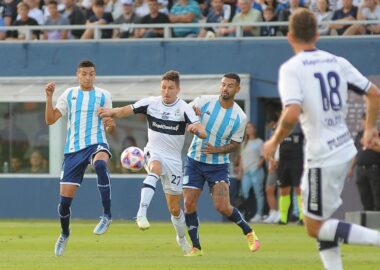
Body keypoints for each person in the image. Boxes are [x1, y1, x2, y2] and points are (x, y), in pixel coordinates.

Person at [263, 8, 380, 270]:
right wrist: (370, 128)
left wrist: (274, 141)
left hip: (323, 155)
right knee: (322, 221)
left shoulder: (291, 69)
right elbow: (374, 94)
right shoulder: (337, 61)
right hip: (343, 147)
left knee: (314, 226)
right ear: (318, 33)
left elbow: (291, 112)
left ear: (289, 36)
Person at [98, 70, 207, 255]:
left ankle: (181, 238)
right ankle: (141, 214)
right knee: (154, 168)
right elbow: (126, 110)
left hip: (173, 160)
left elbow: (203, 132)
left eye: (170, 88)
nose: (166, 91)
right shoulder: (151, 103)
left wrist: (197, 130)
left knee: (174, 209)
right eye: (163, 87)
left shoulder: (185, 109)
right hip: (153, 152)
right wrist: (111, 112)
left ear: (178, 89)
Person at [183, 73, 260, 257]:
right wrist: (191, 120)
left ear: (237, 89)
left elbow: (235, 144)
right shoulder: (203, 101)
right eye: (223, 84)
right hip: (194, 160)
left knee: (222, 206)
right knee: (188, 203)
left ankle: (249, 232)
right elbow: (185, 115)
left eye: (230, 86)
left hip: (218, 166)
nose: (225, 88)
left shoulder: (240, 117)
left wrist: (216, 150)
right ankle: (196, 247)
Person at [45, 60, 116, 256]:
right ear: (77, 74)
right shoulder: (69, 94)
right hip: (73, 151)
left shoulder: (104, 95)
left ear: (95, 74)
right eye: (84, 73)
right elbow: (50, 120)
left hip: (96, 143)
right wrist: (49, 96)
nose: (88, 77)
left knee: (101, 164)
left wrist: (110, 123)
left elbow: (110, 127)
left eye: (91, 73)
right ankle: (65, 233)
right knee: (64, 203)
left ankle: (106, 215)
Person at [349, 113, 380, 211]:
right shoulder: (359, 135)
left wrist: (370, 145)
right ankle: (368, 224)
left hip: (374, 169)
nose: (365, 123)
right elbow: (356, 152)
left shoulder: (377, 133)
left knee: (377, 197)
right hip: (360, 170)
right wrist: (351, 168)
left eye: (368, 121)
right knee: (365, 198)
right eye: (364, 120)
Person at [277, 122, 304, 225]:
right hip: (283, 161)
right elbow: (276, 143)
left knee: (299, 189)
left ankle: (302, 217)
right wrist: (274, 159)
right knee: (284, 190)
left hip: (297, 161)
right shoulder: (281, 126)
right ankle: (283, 218)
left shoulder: (300, 126)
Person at [238, 122, 265, 223]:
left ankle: (259, 214)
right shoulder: (244, 143)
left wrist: (258, 165)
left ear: (254, 129)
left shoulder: (259, 142)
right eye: (247, 128)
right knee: (244, 194)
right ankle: (243, 215)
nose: (248, 129)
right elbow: (241, 158)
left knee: (258, 193)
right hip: (246, 172)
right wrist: (240, 170)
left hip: (256, 170)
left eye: (250, 127)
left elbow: (263, 156)